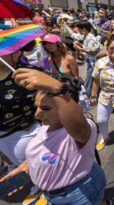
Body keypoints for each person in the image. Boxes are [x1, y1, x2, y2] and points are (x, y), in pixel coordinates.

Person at [0, 69, 106, 204]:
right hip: (54, 196)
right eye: (37, 107)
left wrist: (57, 89)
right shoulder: (46, 126)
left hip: (79, 194)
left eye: (46, 108)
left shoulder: (82, 128)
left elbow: (81, 131)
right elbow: (50, 150)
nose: (37, 114)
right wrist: (28, 166)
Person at [74, 21, 100, 96]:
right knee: (90, 80)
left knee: (89, 81)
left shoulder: (91, 38)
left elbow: (93, 52)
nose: (78, 32)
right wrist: (80, 44)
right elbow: (88, 48)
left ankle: (88, 98)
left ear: (84, 29)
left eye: (79, 30)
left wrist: (79, 48)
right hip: (90, 62)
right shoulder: (88, 36)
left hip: (92, 63)